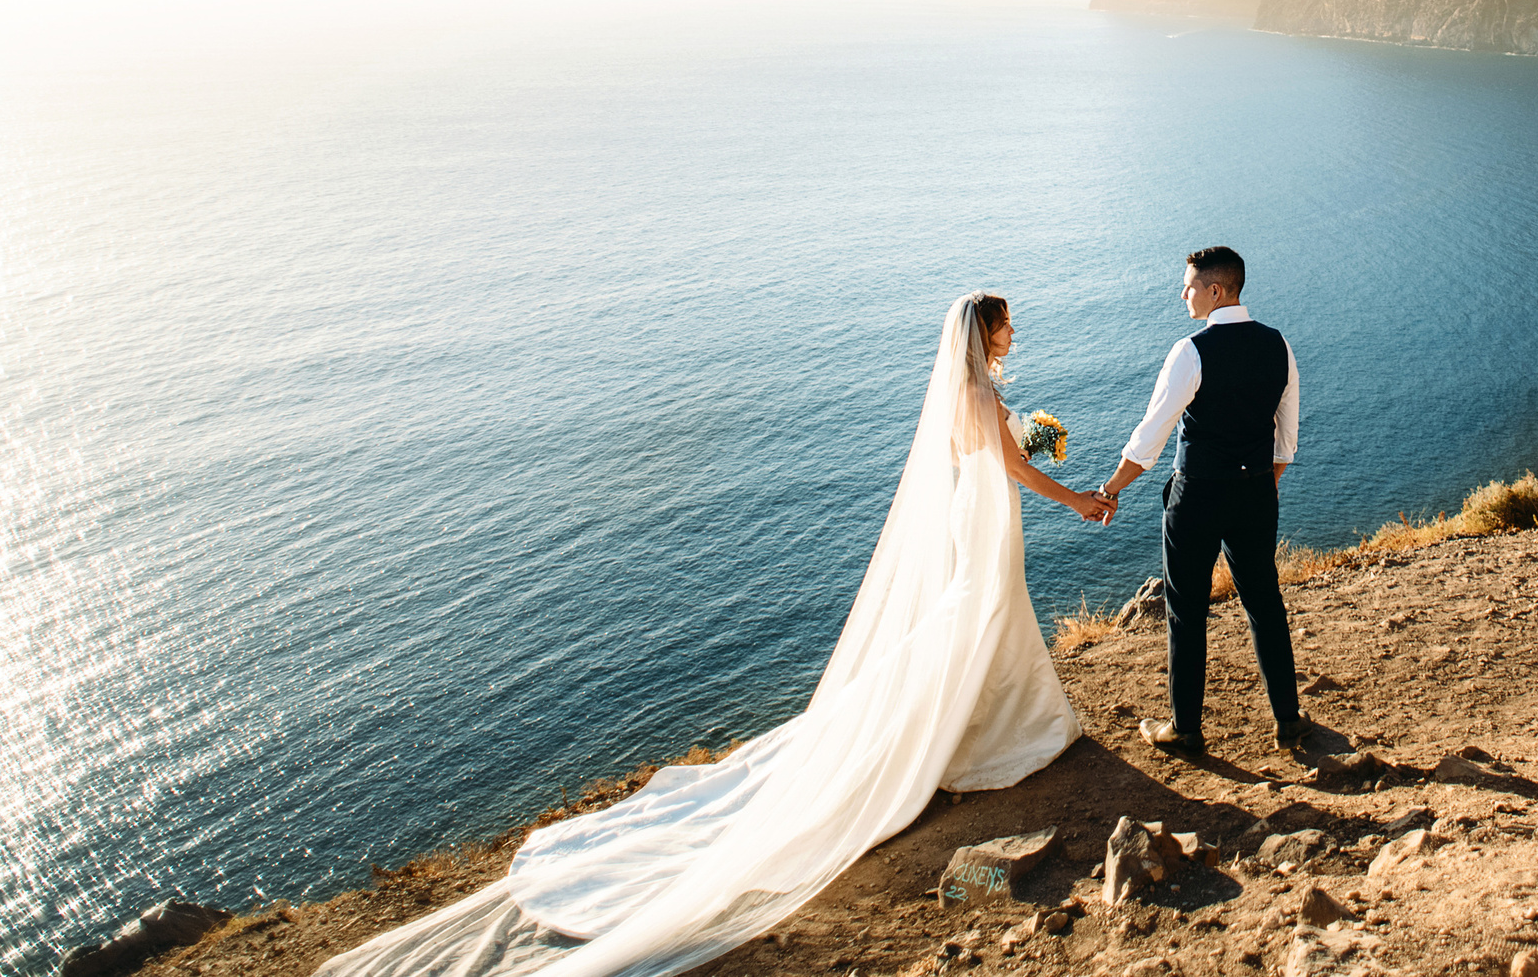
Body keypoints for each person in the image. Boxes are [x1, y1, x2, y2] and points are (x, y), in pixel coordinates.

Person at [316, 293, 1105, 977]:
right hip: (987, 517)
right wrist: (1072, 494)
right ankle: (994, 734)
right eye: (1006, 325)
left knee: (980, 619)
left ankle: (992, 726)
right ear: (984, 332)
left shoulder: (963, 391)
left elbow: (988, 462)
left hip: (980, 521)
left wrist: (1026, 442)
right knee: (981, 617)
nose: (1012, 334)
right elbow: (1012, 470)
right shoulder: (972, 394)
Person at [1091, 246, 1310, 757]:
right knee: (1265, 602)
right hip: (1256, 491)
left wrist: (1109, 490)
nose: (1182, 293)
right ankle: (1288, 721)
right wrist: (1260, 483)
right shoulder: (1279, 344)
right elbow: (1288, 441)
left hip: (1197, 499)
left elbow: (1150, 440)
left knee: (1186, 609)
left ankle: (1186, 729)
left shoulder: (1190, 351)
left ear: (1215, 291)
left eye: (1188, 285)